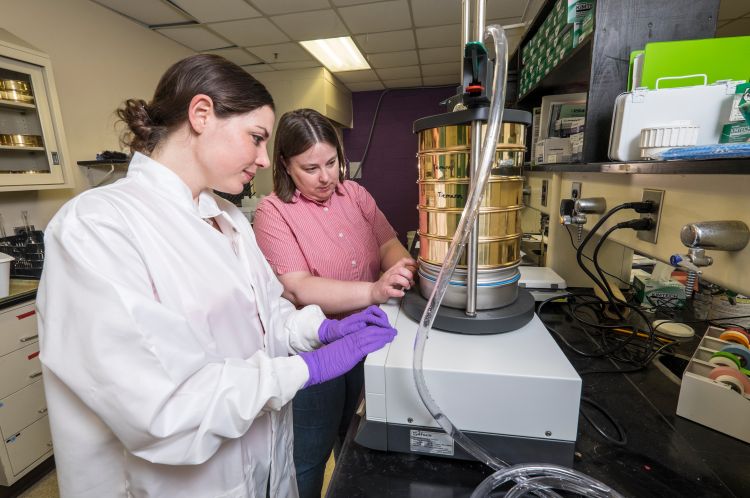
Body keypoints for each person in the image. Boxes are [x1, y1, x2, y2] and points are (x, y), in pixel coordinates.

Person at [36, 54, 397, 498]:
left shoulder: (226, 218)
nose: (266, 160)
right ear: (202, 114)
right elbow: (163, 408)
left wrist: (320, 328)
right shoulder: (97, 227)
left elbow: (269, 315)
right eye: (256, 138)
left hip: (263, 470)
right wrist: (307, 369)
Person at [253, 108, 416, 498]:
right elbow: (299, 288)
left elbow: (388, 243)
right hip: (317, 348)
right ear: (285, 166)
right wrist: (375, 291)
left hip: (369, 339)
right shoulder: (273, 213)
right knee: (310, 455)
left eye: (332, 162)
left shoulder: (354, 193)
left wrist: (402, 269)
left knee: (359, 439)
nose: (326, 177)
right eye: (311, 168)